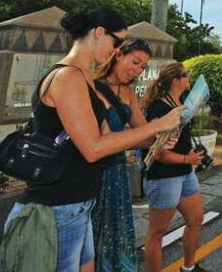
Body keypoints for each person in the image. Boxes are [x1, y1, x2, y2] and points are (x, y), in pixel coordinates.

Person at [3, 8, 182, 272]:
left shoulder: (83, 77)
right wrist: (158, 124)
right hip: (57, 208)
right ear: (99, 33)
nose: (116, 50)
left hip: (78, 205)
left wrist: (156, 139)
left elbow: (110, 138)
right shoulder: (68, 76)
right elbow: (93, 148)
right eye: (117, 42)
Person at [91, 38, 157, 272]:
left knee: (118, 236)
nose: (137, 69)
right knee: (93, 239)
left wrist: (163, 133)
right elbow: (95, 141)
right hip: (95, 174)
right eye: (135, 61)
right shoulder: (92, 87)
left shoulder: (128, 92)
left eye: (142, 67)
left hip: (119, 175)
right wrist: (149, 131)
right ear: (118, 54)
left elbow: (144, 134)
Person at [142, 62, 210, 272]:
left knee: (196, 219)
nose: (189, 78)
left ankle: (189, 268)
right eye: (186, 75)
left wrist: (190, 159)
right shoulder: (159, 108)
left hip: (184, 173)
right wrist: (186, 160)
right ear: (175, 80)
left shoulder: (179, 103)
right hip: (164, 176)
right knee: (157, 232)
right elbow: (158, 152)